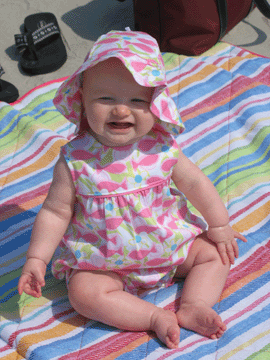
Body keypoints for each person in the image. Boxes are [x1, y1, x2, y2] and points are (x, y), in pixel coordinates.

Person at [18, 30, 247, 349]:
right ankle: (153, 317)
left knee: (216, 253)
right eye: (106, 98)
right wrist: (37, 258)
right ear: (83, 99)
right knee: (83, 294)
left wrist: (219, 225)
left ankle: (195, 305)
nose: (121, 111)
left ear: (156, 105)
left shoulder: (163, 148)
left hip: (169, 248)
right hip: (104, 262)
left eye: (137, 100)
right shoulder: (75, 159)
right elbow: (56, 211)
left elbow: (195, 183)